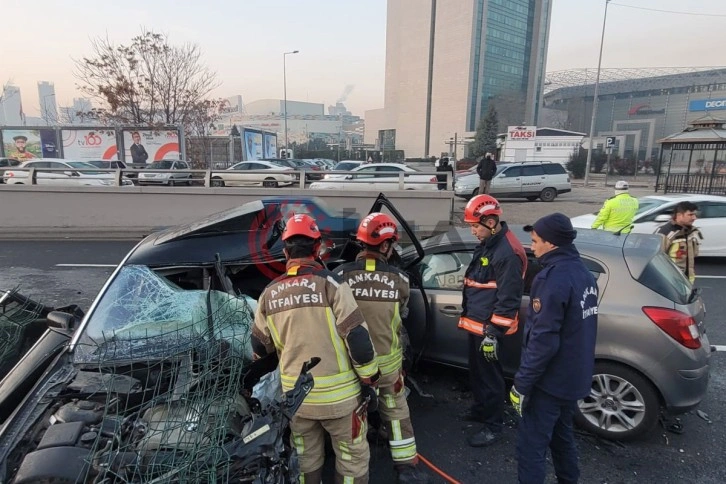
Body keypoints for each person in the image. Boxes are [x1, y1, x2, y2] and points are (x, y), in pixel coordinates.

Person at [252, 213, 380, 484]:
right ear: (317, 247)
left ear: (286, 251)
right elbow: (357, 338)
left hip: (297, 401)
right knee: (351, 459)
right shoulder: (331, 284)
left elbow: (259, 350)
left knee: (305, 459)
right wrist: (370, 380)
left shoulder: (269, 293)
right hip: (341, 402)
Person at [334, 213, 430, 484]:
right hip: (387, 365)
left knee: (353, 416)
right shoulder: (400, 279)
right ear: (387, 245)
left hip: (350, 366)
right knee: (397, 411)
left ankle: (353, 469)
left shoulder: (339, 276)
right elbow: (400, 315)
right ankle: (407, 469)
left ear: (361, 243)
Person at [512, 213, 598, 484]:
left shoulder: (551, 279)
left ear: (551, 244)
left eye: (535, 241)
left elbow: (543, 340)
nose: (532, 246)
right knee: (562, 439)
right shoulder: (583, 274)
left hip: (549, 383)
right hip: (573, 378)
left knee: (531, 448)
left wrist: (522, 385)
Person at [459, 194, 527, 447]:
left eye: (475, 226)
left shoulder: (506, 253)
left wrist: (492, 333)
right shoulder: (490, 244)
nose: (473, 231)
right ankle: (480, 410)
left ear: (490, 221)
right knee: (478, 374)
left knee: (491, 379)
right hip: (477, 324)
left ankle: (493, 425)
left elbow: (508, 300)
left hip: (489, 329)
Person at [656, 201, 701, 283]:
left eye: (695, 215)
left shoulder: (690, 231)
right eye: (690, 215)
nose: (694, 218)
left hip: (686, 282)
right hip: (671, 281)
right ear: (679, 215)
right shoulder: (666, 232)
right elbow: (657, 258)